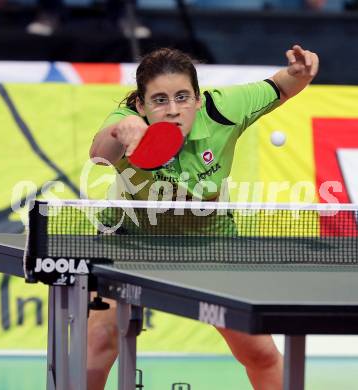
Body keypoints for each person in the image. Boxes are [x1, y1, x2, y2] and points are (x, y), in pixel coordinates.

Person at [89, 44, 319, 390]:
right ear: (141, 103)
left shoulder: (224, 110)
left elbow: (283, 85)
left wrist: (300, 73)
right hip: (130, 243)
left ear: (199, 99)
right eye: (160, 100)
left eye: (183, 97)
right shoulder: (126, 121)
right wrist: (123, 131)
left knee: (261, 355)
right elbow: (98, 154)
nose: (173, 110)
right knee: (97, 344)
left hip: (210, 245)